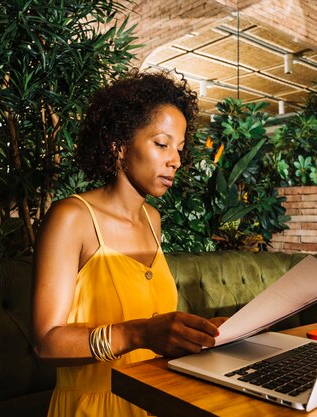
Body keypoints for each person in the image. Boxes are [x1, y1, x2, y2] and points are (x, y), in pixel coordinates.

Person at [31, 69, 226, 417]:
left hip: (156, 398)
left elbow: (151, 320)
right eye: (162, 144)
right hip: (93, 407)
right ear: (117, 145)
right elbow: (46, 343)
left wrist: (195, 332)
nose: (176, 160)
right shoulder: (72, 217)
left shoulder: (153, 220)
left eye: (179, 149)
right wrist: (139, 334)